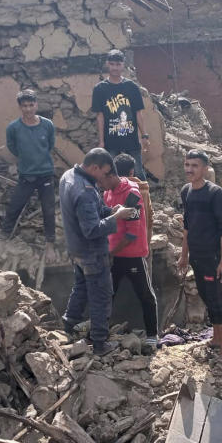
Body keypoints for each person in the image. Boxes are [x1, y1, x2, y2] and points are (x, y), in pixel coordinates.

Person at [59, 148, 136, 356]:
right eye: (104, 173)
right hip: (92, 253)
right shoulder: (84, 190)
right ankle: (100, 343)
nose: (105, 178)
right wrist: (117, 218)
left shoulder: (69, 176)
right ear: (95, 167)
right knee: (101, 296)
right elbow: (92, 229)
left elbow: (90, 211)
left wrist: (109, 210)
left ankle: (67, 325)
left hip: (76, 250)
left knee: (81, 287)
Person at [177, 150, 222, 360]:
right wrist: (184, 255)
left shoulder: (216, 193)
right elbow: (187, 225)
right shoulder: (186, 191)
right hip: (196, 256)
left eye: (195, 165)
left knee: (217, 300)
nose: (189, 169)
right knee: (206, 296)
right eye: (187, 164)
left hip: (212, 257)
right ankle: (216, 340)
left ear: (205, 168)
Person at [104, 155, 158, 352]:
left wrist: (111, 253)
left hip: (132, 254)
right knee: (107, 294)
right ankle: (100, 334)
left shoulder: (133, 195)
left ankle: (152, 335)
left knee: (145, 295)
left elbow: (132, 234)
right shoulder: (108, 192)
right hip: (114, 253)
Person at [0, 89, 57, 257]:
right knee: (14, 207)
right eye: (25, 106)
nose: (29, 109)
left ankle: (50, 245)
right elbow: (12, 146)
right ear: (20, 107)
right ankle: (3, 239)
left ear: (36, 105)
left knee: (48, 210)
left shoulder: (47, 125)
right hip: (26, 175)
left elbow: (50, 145)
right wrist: (26, 157)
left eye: (31, 105)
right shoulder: (14, 128)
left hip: (45, 174)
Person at [92, 49, 149, 179]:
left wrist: (144, 135)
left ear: (123, 65)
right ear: (107, 64)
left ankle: (143, 199)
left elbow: (138, 113)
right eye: (112, 64)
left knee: (138, 173)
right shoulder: (100, 89)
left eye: (118, 64)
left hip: (131, 139)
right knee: (111, 174)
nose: (115, 68)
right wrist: (101, 141)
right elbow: (100, 116)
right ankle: (114, 199)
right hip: (111, 140)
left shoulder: (132, 87)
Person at [113, 153, 153, 251]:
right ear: (132, 171)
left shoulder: (112, 190)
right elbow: (150, 216)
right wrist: (147, 242)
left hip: (118, 247)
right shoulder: (143, 190)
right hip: (141, 246)